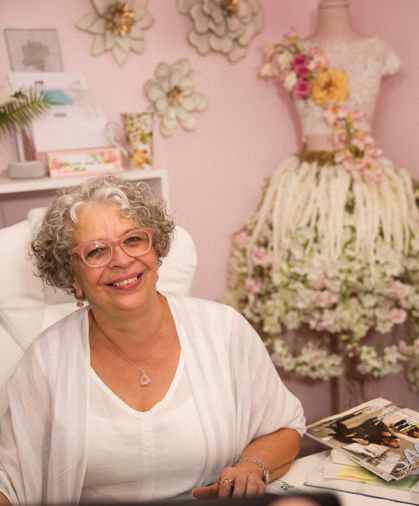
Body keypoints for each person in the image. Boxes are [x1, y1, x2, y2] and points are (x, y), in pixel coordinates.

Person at [0, 175, 306, 505]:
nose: (120, 260)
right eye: (97, 250)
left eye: (133, 240)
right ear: (73, 276)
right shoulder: (46, 361)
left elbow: (285, 427)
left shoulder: (224, 329)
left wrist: (251, 465)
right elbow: (8, 480)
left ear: (155, 251)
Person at [225, 0, 419, 393]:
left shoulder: (377, 51)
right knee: (309, 282)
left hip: (368, 188)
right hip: (307, 190)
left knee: (370, 288)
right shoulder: (291, 56)